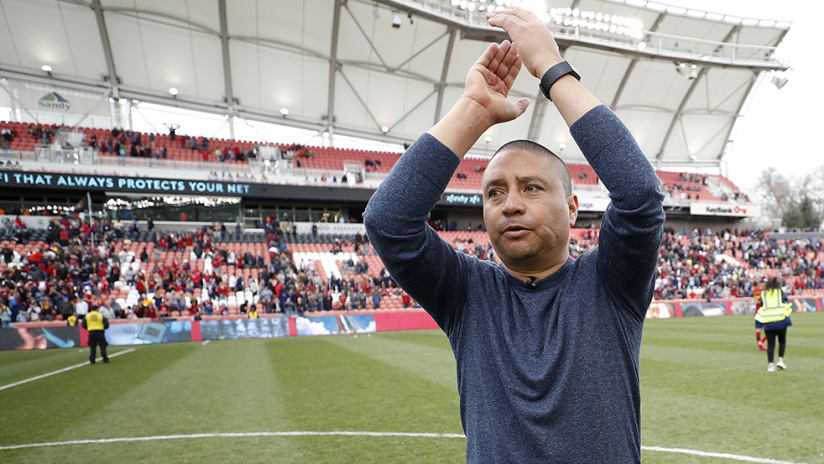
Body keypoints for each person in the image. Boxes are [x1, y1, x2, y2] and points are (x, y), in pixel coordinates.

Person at [363, 8, 664, 463]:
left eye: (532, 187)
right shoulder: (466, 294)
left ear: (573, 208)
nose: (510, 204)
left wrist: (551, 69)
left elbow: (640, 194)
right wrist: (474, 111)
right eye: (495, 192)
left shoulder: (610, 283)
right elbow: (388, 221)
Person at [754, 277, 792, 372]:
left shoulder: (764, 294)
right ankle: (780, 360)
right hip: (780, 320)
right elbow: (785, 301)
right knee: (782, 341)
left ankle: (770, 365)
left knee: (771, 344)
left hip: (768, 321)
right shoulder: (780, 292)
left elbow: (762, 305)